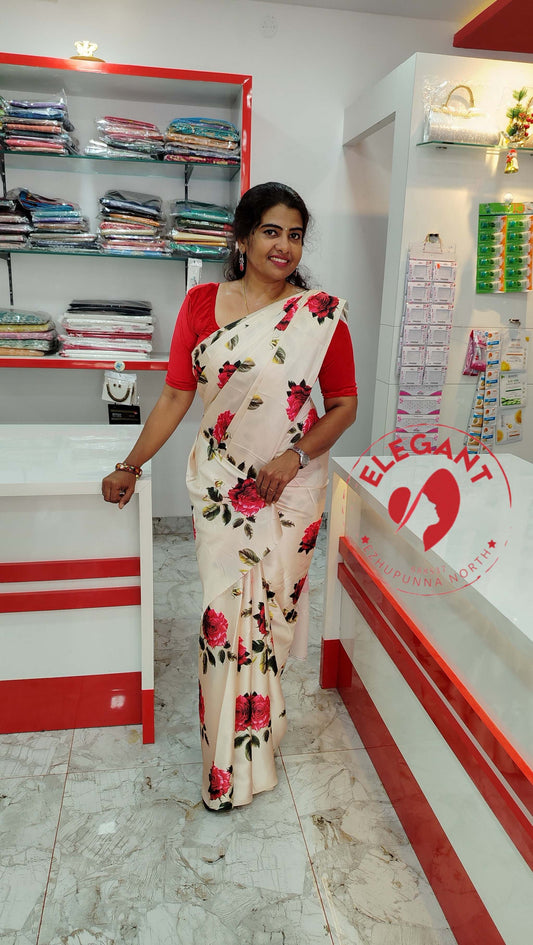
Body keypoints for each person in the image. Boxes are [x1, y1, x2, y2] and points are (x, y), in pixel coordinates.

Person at [102, 181, 358, 811]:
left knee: (265, 623)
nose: (285, 246)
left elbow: (344, 407)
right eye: (272, 231)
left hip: (290, 487)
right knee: (223, 621)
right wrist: (129, 466)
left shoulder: (319, 317)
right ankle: (229, 764)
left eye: (295, 234)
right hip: (221, 486)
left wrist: (292, 456)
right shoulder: (200, 305)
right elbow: (173, 397)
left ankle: (259, 739)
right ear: (242, 238)